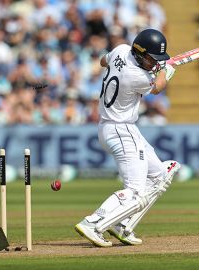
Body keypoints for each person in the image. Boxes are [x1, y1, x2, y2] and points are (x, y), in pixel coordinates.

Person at [75, 29, 181, 247]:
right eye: (152, 59)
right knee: (135, 190)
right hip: (121, 129)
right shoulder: (137, 76)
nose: (154, 64)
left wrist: (159, 65)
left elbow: (104, 61)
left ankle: (121, 225)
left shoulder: (120, 50)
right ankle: (93, 222)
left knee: (161, 175)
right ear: (140, 53)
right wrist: (167, 70)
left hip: (116, 127)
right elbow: (158, 88)